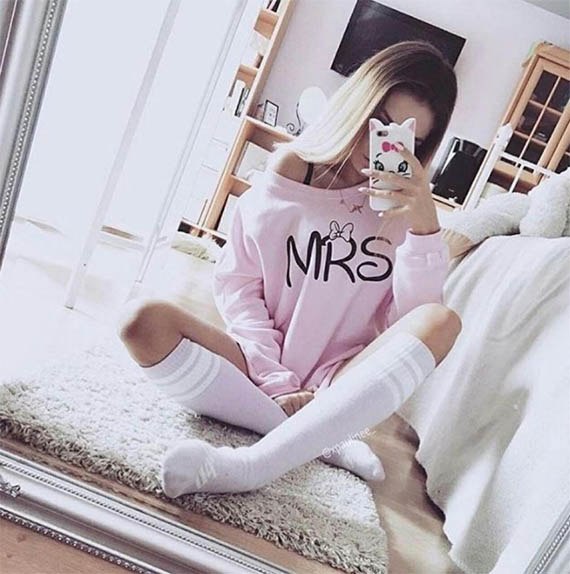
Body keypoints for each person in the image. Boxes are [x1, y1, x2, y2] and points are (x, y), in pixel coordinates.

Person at [117, 40, 462, 496]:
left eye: (405, 141)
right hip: (257, 360)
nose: (379, 145)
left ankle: (254, 464)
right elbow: (241, 286)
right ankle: (321, 439)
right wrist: (276, 381)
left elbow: (410, 324)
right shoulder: (294, 171)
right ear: (357, 104)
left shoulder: (406, 214)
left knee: (441, 320)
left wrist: (423, 228)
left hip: (336, 385)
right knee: (141, 322)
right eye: (377, 122)